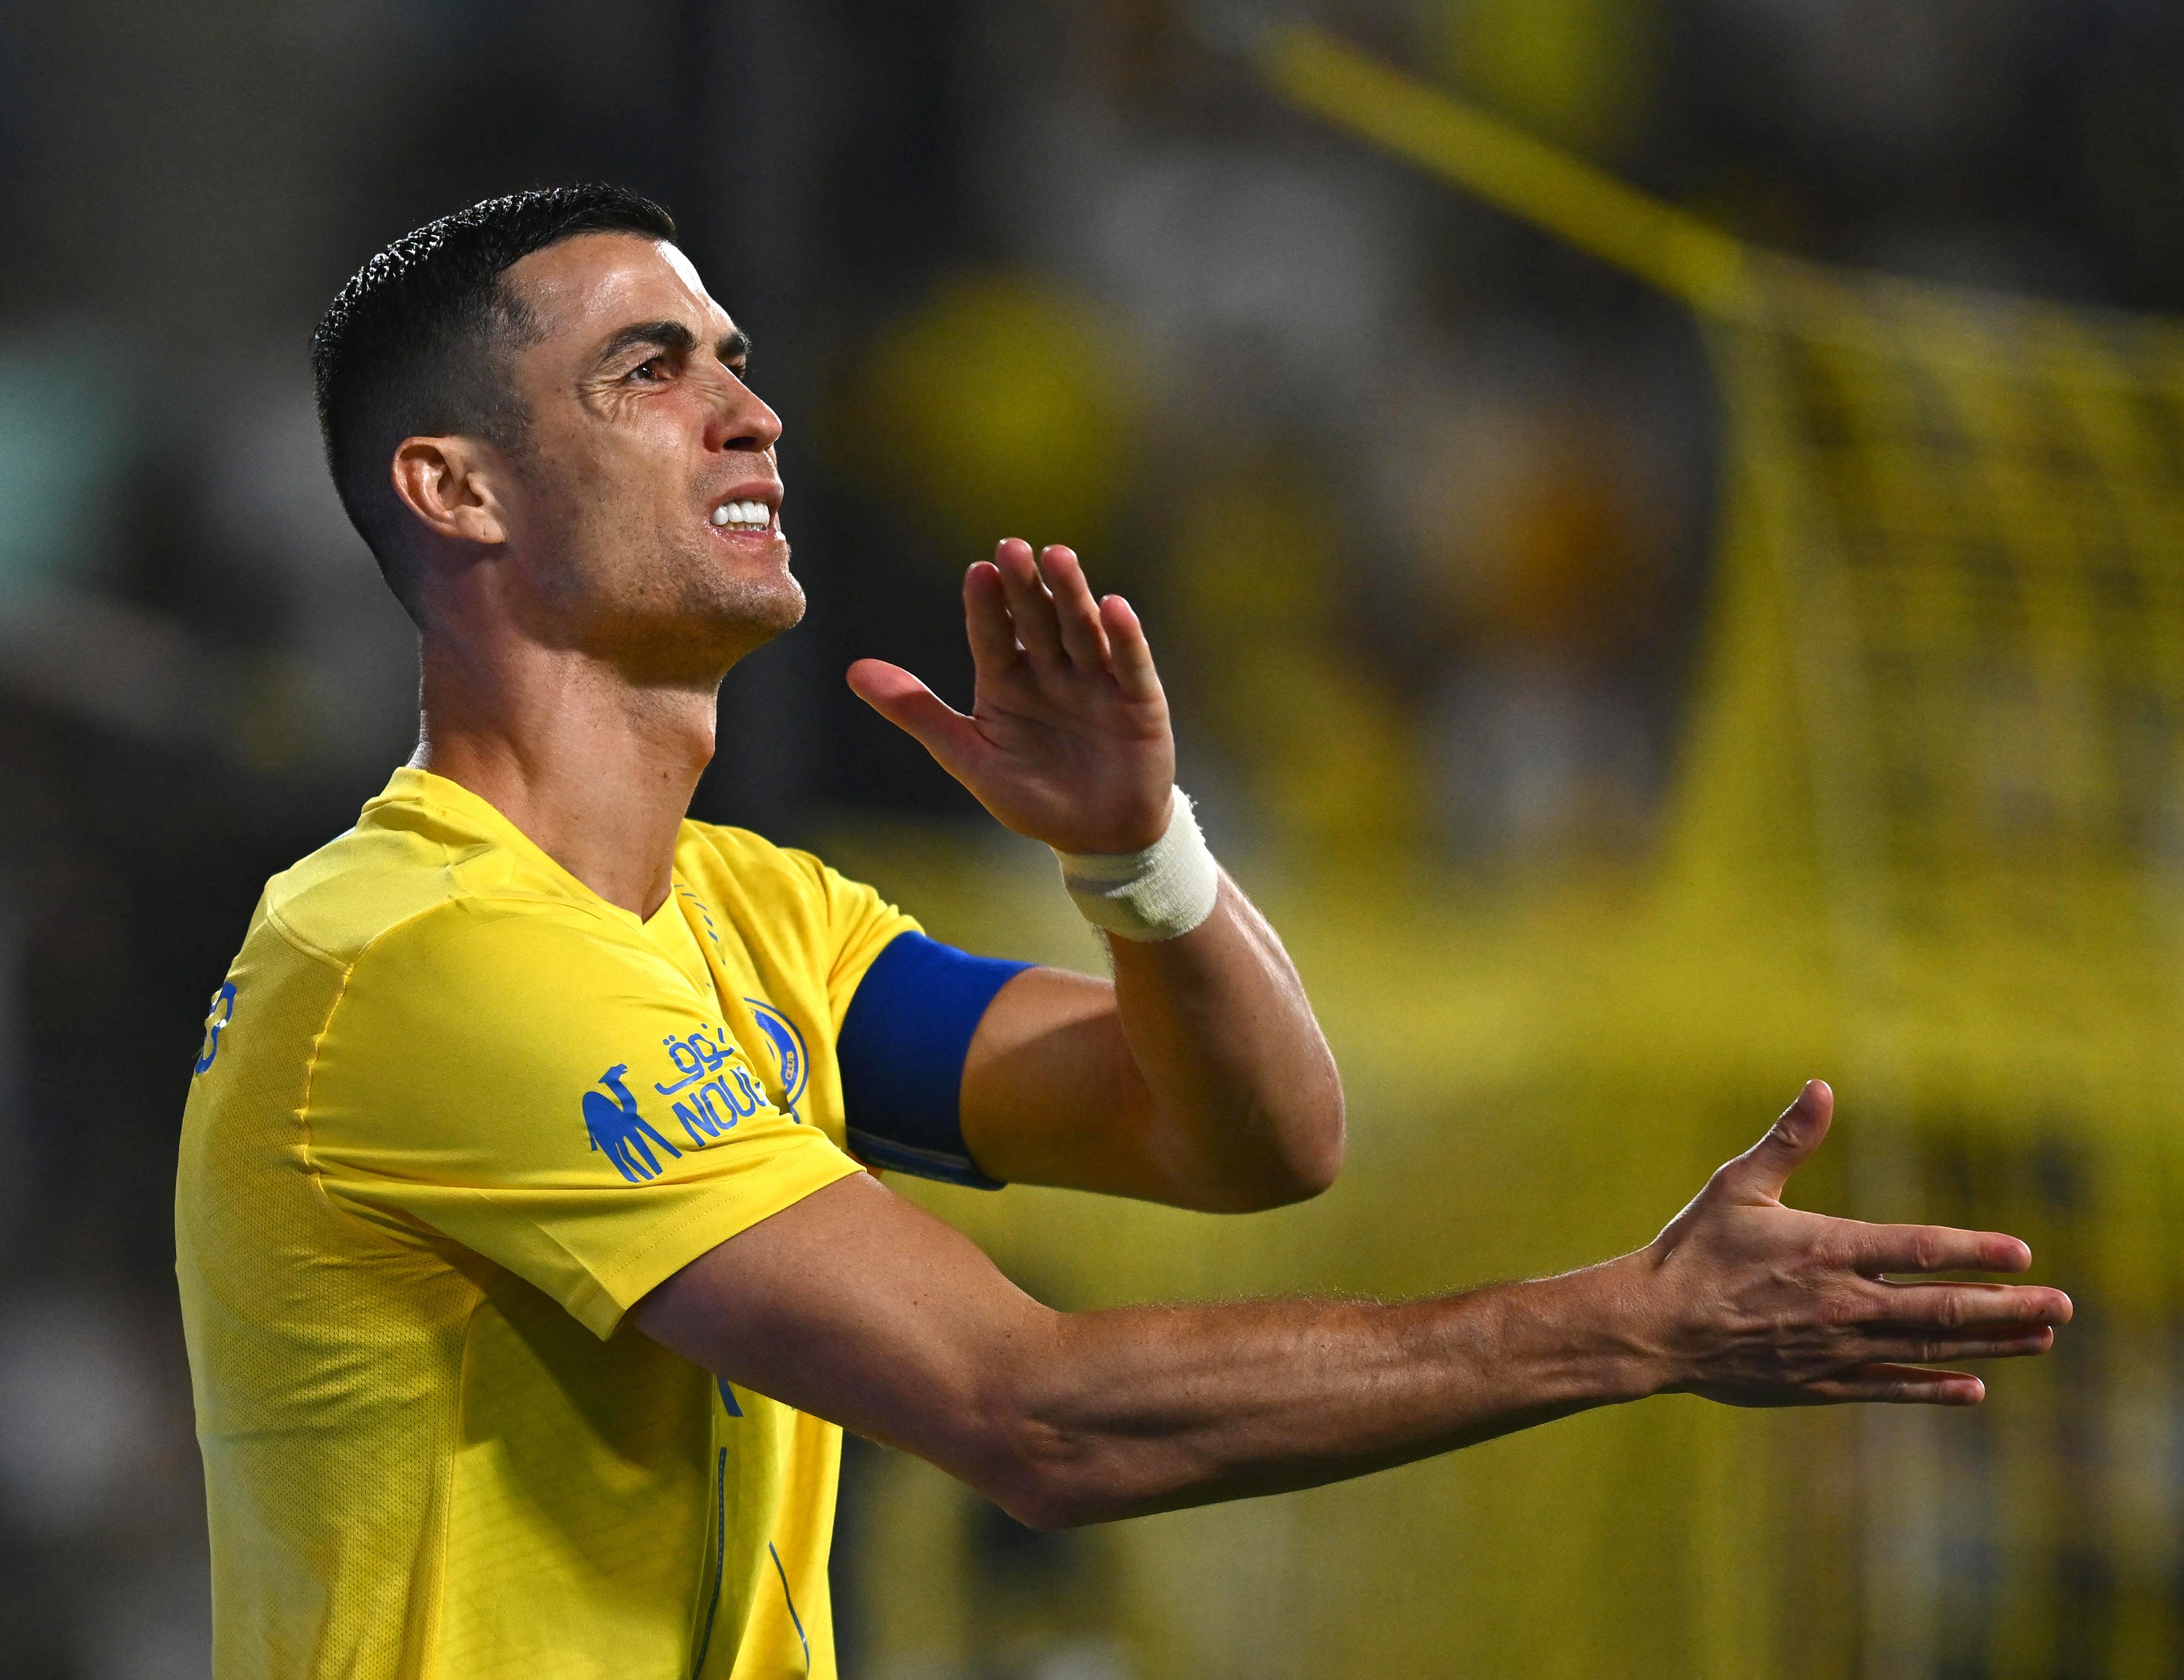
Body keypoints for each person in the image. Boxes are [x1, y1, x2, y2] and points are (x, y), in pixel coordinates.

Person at [174, 184, 2070, 1679]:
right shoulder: (425, 953)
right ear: (456, 487)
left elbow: (1250, 1140)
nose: (752, 413)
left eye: (736, 359)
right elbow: (1036, 1416)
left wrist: (1140, 855)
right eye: (648, 369)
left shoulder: (759, 919)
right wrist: (1635, 1327)